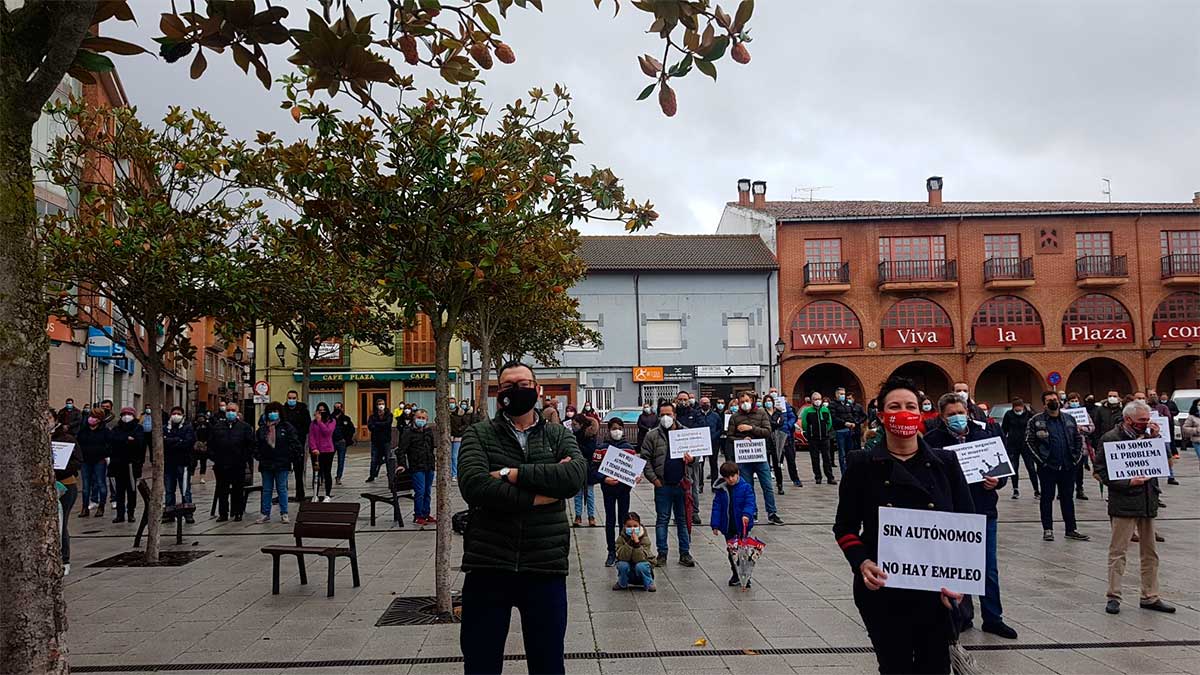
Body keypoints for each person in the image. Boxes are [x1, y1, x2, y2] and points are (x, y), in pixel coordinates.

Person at [833, 376, 975, 674]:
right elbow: (845, 528)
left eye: (910, 406)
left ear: (921, 415)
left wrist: (962, 580)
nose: (903, 412)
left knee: (935, 667)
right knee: (894, 666)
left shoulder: (945, 463)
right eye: (894, 406)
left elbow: (968, 524)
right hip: (884, 590)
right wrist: (862, 562)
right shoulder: (861, 464)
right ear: (882, 416)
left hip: (937, 591)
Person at [457, 361, 586, 675]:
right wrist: (538, 496)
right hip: (488, 565)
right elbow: (475, 486)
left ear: (538, 390)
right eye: (508, 385)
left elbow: (574, 476)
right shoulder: (478, 434)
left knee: (548, 664)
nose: (517, 390)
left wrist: (510, 473)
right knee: (481, 663)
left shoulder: (558, 435)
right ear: (498, 393)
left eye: (524, 384)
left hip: (544, 566)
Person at [924, 394, 1017, 639]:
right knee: (956, 567)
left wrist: (997, 481)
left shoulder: (986, 435)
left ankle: (993, 618)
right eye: (951, 414)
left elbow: (1002, 469)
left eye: (960, 412)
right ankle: (961, 615)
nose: (957, 417)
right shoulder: (933, 440)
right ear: (942, 417)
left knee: (988, 569)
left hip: (984, 509)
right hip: (952, 514)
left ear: (968, 411)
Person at [1094, 400, 1175, 615]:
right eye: (1142, 420)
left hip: (1148, 501)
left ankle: (1150, 595)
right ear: (1128, 419)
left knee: (1150, 552)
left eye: (1147, 419)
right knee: (1118, 551)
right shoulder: (1111, 439)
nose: (1146, 423)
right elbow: (1100, 472)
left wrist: (1158, 439)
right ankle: (1114, 595)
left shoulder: (1150, 438)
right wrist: (1128, 483)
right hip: (1124, 502)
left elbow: (1167, 464)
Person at [639, 401, 697, 567]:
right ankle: (662, 554)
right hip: (662, 485)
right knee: (662, 520)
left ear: (675, 415)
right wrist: (654, 480)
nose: (666, 418)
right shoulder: (652, 435)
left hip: (682, 485)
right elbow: (645, 459)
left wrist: (692, 460)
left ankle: (685, 553)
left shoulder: (685, 433)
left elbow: (697, 457)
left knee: (683, 520)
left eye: (669, 414)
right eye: (662, 414)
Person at [1026, 390, 1089, 542]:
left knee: (1068, 498)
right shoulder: (1036, 420)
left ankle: (1071, 529)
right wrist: (1041, 462)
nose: (1053, 401)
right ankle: (1048, 529)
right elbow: (1029, 442)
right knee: (1047, 498)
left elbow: (1078, 439)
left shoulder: (1069, 419)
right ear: (1044, 404)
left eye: (1055, 399)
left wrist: (1076, 459)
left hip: (1068, 466)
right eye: (1049, 400)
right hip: (1048, 467)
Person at [728, 391, 783, 525]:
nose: (744, 404)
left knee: (767, 485)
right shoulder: (735, 417)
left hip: (760, 454)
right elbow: (729, 436)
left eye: (746, 400)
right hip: (744, 457)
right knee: (748, 487)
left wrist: (751, 428)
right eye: (741, 402)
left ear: (752, 400)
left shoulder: (761, 413)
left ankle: (772, 512)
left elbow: (767, 431)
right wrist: (741, 439)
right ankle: (752, 512)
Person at [594, 419, 636, 567]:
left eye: (619, 428)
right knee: (610, 521)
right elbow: (593, 469)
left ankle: (622, 550)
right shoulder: (601, 448)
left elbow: (633, 469)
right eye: (614, 428)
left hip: (624, 490)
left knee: (624, 521)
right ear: (609, 430)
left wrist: (635, 476)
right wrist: (604, 479)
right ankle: (611, 551)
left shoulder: (629, 448)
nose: (617, 431)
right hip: (609, 490)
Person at [711, 461, 757, 588]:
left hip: (741, 526)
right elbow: (717, 507)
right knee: (732, 551)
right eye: (727, 477)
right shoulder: (721, 490)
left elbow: (750, 503)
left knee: (743, 551)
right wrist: (715, 524)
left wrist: (747, 514)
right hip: (728, 526)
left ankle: (745, 576)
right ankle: (736, 573)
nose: (731, 479)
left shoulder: (746, 487)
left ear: (738, 474)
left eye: (733, 476)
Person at [209, 403, 255, 522]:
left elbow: (250, 445)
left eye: (233, 410)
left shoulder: (244, 427)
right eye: (228, 410)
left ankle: (237, 512)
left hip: (238, 464)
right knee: (222, 490)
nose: (230, 412)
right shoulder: (218, 426)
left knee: (238, 489)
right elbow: (211, 444)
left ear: (237, 412)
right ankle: (223, 513)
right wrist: (215, 457)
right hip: (221, 464)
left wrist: (244, 458)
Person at [255, 402, 299, 524]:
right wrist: (259, 456)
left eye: (275, 411)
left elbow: (294, 443)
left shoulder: (287, 427)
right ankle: (265, 513)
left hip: (282, 463)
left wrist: (288, 456)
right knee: (267, 489)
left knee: (282, 488)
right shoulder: (263, 429)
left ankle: (284, 513)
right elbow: (256, 445)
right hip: (266, 463)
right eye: (270, 412)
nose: (273, 414)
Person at [394, 408, 437, 526]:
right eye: (419, 418)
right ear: (414, 418)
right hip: (416, 466)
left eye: (423, 418)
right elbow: (401, 450)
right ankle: (418, 515)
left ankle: (426, 513)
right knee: (420, 492)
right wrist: (402, 464)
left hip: (429, 465)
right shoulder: (408, 432)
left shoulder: (428, 431)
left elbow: (431, 447)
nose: (421, 420)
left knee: (428, 491)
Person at [51, 418, 82, 575]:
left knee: (62, 523)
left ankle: (65, 559)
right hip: (46, 485)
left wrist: (60, 470)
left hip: (65, 484)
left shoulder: (67, 439)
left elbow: (77, 461)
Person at [108, 407, 145, 524]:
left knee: (131, 490)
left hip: (131, 465)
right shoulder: (116, 428)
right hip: (117, 464)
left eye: (129, 414)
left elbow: (139, 444)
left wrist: (127, 442)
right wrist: (126, 439)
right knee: (119, 491)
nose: (126, 416)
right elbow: (112, 440)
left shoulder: (138, 428)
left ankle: (131, 513)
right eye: (124, 414)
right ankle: (120, 514)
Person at [564, 405, 598, 527]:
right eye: (572, 424)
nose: (574, 426)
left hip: (588, 467)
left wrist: (577, 445)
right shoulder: (572, 435)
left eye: (575, 424)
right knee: (577, 493)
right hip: (576, 467)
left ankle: (591, 516)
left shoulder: (589, 435)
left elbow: (590, 450)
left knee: (589, 493)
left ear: (581, 424)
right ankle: (578, 516)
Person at [163, 406, 196, 523]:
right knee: (169, 489)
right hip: (168, 464)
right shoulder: (165, 428)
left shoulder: (188, 428)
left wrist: (172, 441)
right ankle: (169, 513)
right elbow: (163, 442)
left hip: (184, 463)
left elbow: (188, 443)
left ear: (182, 415)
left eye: (178, 413)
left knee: (185, 489)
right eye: (174, 413)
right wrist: (177, 440)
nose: (176, 415)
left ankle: (188, 512)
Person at [1000, 398, 1038, 499]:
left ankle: (1036, 490)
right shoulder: (1009, 414)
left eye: (1019, 407)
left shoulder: (1029, 414)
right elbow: (1004, 429)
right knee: (1014, 467)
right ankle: (1015, 489)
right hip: (1013, 444)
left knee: (1031, 467)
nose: (1018, 410)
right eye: (1015, 408)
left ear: (1022, 407)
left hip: (1026, 444)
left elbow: (1034, 428)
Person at [611, 512, 655, 592]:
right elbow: (622, 556)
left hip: (640, 567)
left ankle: (649, 583)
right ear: (624, 526)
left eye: (635, 526)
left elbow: (641, 558)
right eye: (629, 526)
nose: (632, 529)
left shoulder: (644, 538)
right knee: (622, 564)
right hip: (629, 569)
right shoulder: (621, 538)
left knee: (641, 565)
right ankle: (622, 583)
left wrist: (637, 544)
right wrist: (629, 544)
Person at [77, 410, 109, 518]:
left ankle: (101, 506)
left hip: (99, 460)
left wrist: (105, 455)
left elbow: (108, 444)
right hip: (85, 461)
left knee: (101, 483)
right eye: (91, 416)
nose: (92, 418)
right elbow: (79, 443)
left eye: (95, 417)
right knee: (85, 486)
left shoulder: (104, 431)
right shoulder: (83, 430)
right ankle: (84, 507)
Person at [281, 391, 311, 502]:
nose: (291, 400)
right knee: (284, 471)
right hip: (285, 444)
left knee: (299, 470)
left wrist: (299, 436)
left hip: (298, 443)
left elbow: (307, 425)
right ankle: (283, 494)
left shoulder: (303, 410)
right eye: (289, 398)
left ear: (297, 398)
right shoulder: (283, 410)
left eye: (293, 398)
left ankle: (300, 493)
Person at [800, 392, 836, 485]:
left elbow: (829, 422)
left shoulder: (825, 410)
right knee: (815, 458)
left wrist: (826, 431)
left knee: (827, 458)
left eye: (819, 399)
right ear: (812, 400)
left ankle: (830, 477)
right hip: (813, 438)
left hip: (824, 438)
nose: (817, 401)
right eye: (815, 399)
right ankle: (818, 477)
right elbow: (804, 423)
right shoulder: (807, 411)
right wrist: (809, 433)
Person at [1066, 392, 1095, 500]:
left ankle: (1079, 489)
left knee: (1079, 470)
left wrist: (1082, 428)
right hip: (1067, 445)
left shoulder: (1083, 413)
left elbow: (1092, 427)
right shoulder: (1063, 413)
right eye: (1072, 401)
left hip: (1081, 445)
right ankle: (1064, 490)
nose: (1074, 403)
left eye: (1076, 400)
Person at [1146, 390, 1178, 486]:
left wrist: (1160, 417)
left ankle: (1171, 476)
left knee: (1167, 455)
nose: (1153, 396)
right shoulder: (1145, 408)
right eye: (1151, 395)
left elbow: (1169, 418)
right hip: (1149, 436)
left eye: (1154, 394)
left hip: (1163, 435)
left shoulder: (1163, 407)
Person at [308, 402, 337, 501]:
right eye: (319, 411)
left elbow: (327, 433)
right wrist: (313, 448)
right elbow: (311, 436)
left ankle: (327, 494)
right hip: (316, 451)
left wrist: (320, 422)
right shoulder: (313, 423)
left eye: (323, 410)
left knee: (327, 472)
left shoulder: (332, 421)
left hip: (328, 450)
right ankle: (315, 494)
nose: (321, 412)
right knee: (316, 472)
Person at [449, 398, 477, 480]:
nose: (451, 404)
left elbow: (466, 424)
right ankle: (452, 473)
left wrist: (459, 431)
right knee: (451, 457)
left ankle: (456, 474)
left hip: (458, 437)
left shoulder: (460, 412)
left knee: (455, 456)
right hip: (448, 438)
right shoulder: (445, 413)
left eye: (453, 402)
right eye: (450, 402)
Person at [829, 387, 857, 469]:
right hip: (839, 431)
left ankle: (850, 470)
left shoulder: (848, 404)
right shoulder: (833, 404)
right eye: (841, 394)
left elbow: (853, 414)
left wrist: (854, 422)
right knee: (842, 453)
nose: (843, 395)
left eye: (844, 394)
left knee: (850, 452)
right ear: (836, 394)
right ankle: (843, 471)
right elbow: (834, 417)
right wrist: (844, 423)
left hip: (850, 430)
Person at [700, 397, 725, 489]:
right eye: (703, 403)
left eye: (707, 403)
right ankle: (700, 485)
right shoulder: (697, 415)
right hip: (701, 444)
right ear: (700, 404)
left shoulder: (715, 415)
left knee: (713, 464)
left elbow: (720, 428)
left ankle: (714, 484)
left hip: (714, 442)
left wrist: (714, 436)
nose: (705, 404)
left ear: (710, 404)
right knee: (700, 465)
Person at [366, 401, 393, 483]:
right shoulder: (372, 416)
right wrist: (381, 425)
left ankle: (390, 475)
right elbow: (370, 426)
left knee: (388, 459)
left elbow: (388, 424)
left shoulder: (389, 415)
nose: (381, 406)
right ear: (377, 405)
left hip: (386, 441)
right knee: (374, 459)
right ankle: (372, 475)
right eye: (379, 404)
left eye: (382, 404)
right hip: (375, 441)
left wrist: (377, 424)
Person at [331, 401, 355, 486]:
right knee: (328, 460)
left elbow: (351, 430)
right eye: (335, 407)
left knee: (341, 461)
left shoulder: (346, 419)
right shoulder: (330, 418)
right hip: (331, 442)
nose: (337, 409)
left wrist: (347, 439)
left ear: (342, 408)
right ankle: (324, 476)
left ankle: (338, 477)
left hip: (342, 442)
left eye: (339, 407)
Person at [193, 411, 211, 485]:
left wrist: (206, 442)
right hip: (196, 446)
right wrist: (196, 442)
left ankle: (202, 477)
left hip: (204, 445)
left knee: (203, 462)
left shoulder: (208, 425)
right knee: (193, 462)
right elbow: (192, 433)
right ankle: (191, 476)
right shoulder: (194, 425)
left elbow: (211, 434)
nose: (201, 419)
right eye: (199, 418)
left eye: (202, 418)